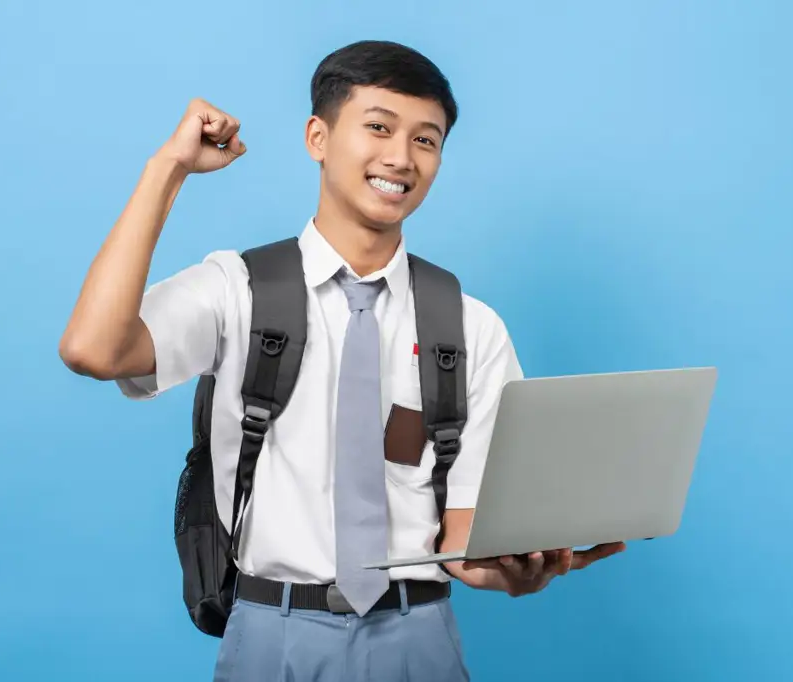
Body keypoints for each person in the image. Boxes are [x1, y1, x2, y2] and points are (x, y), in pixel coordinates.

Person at [59, 39, 625, 681]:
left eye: (426, 140)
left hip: (420, 639)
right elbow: (92, 348)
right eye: (378, 127)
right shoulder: (236, 290)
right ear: (318, 137)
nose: (400, 157)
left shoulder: (470, 326)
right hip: (272, 636)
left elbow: (462, 534)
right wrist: (168, 169)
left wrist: (514, 566)